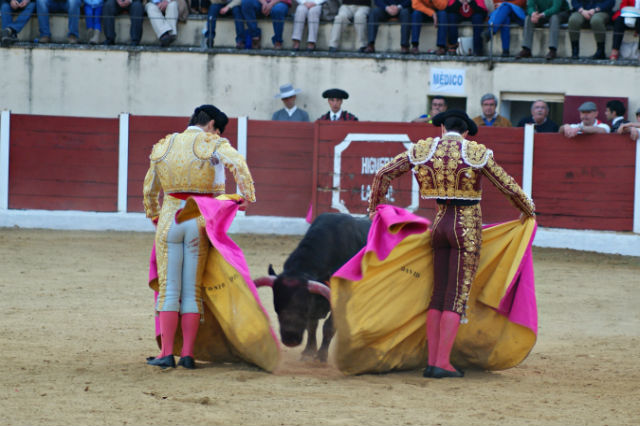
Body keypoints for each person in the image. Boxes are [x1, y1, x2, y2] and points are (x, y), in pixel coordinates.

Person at [367, 109, 535, 378]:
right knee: (455, 297)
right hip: (465, 229)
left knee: (438, 294)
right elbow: (508, 187)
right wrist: (528, 210)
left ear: (442, 128)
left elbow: (382, 175)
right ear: (466, 131)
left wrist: (375, 210)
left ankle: (433, 360)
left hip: (439, 224)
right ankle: (442, 363)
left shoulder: (423, 150)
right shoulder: (476, 152)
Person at [143, 104, 256, 369]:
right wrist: (246, 196)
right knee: (192, 291)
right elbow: (238, 163)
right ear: (212, 124)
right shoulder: (211, 142)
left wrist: (157, 217)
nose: (217, 134)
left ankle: (166, 354)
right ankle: (188, 355)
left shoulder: (164, 146)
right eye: (218, 129)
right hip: (199, 219)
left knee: (170, 290)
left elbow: (149, 190)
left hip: (170, 218)